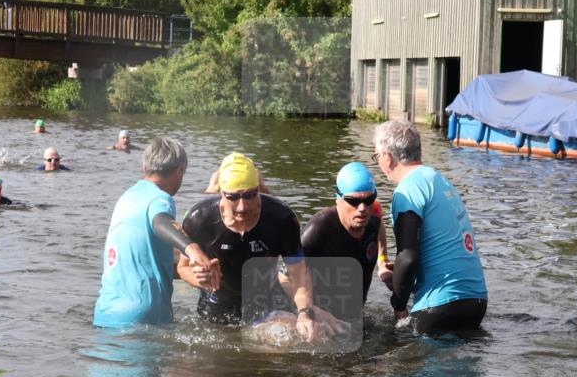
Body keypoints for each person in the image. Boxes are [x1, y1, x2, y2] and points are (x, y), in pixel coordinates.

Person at [178, 153, 341, 340]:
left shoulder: (281, 218)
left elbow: (299, 273)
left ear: (258, 189)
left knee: (288, 339)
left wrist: (305, 312)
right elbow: (182, 268)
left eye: (250, 195)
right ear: (221, 192)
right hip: (216, 306)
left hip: (263, 303)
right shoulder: (200, 218)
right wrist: (200, 279)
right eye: (233, 197)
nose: (242, 206)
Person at [372, 120, 488, 336]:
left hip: (440, 306)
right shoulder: (439, 180)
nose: (378, 162)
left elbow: (407, 258)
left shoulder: (407, 190)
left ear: (387, 157)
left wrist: (398, 304)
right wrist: (398, 273)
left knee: (406, 366)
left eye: (376, 156)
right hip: (476, 301)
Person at [94, 137, 217, 327]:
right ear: (180, 171)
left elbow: (148, 253)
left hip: (105, 314)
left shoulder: (127, 197)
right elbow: (162, 222)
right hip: (144, 318)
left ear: (145, 168)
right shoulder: (160, 199)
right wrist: (193, 250)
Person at [299, 162, 392, 322]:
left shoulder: (374, 216)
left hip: (355, 318)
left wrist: (382, 262)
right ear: (338, 199)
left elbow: (378, 225)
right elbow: (286, 277)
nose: (362, 208)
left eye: (369, 199)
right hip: (320, 321)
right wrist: (308, 311)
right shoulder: (318, 230)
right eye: (353, 201)